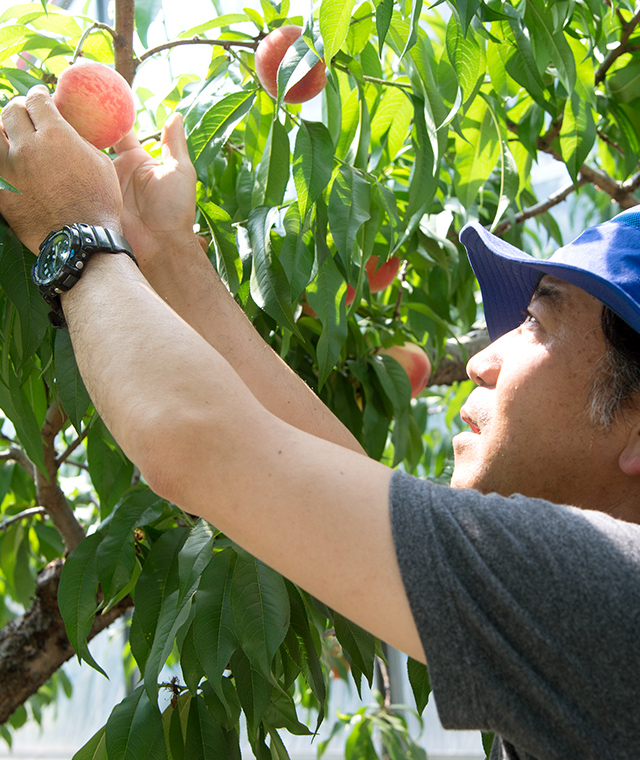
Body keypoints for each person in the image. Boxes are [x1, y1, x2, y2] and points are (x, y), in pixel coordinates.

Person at [0, 86, 639, 760]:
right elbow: (332, 480)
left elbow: (195, 441)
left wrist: (72, 230)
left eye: (536, 322)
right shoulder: (580, 618)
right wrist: (166, 252)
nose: (482, 360)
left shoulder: (609, 603)